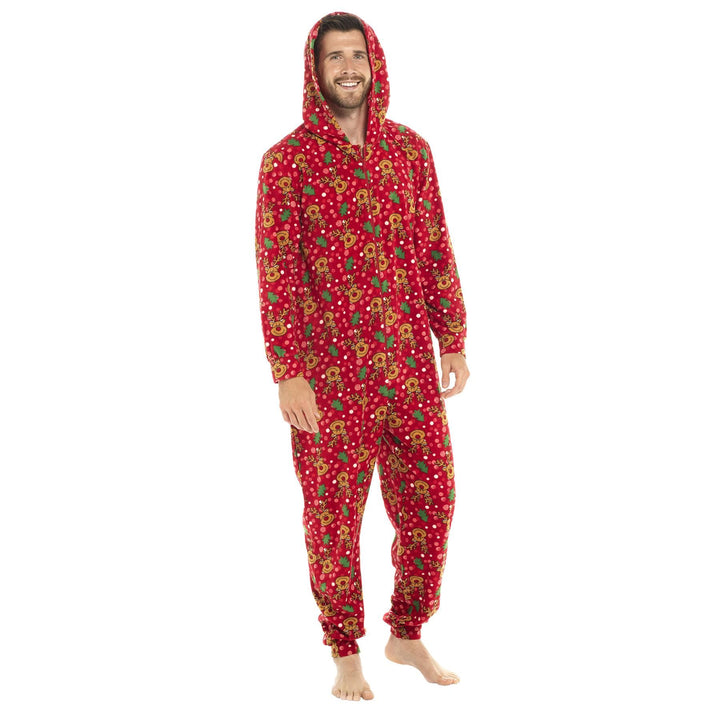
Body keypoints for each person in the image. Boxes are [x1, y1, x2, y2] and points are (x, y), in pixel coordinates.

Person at [254, 11, 469, 701]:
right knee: (332, 519)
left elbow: (434, 247)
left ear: (373, 62)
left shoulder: (411, 152)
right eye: (334, 57)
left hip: (407, 365)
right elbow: (277, 270)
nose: (347, 68)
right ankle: (344, 650)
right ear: (314, 70)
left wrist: (452, 336)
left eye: (356, 54)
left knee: (434, 500)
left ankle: (406, 633)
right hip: (328, 378)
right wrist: (288, 372)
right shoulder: (286, 163)